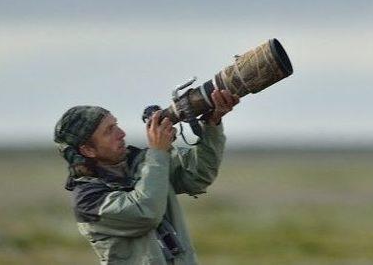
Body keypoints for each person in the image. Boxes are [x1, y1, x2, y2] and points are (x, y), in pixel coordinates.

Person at [53, 89, 239, 265]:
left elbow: (197, 177)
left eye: (116, 124)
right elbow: (145, 212)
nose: (122, 133)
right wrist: (158, 152)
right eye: (109, 130)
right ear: (88, 150)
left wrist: (211, 123)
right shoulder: (89, 202)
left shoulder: (142, 163)